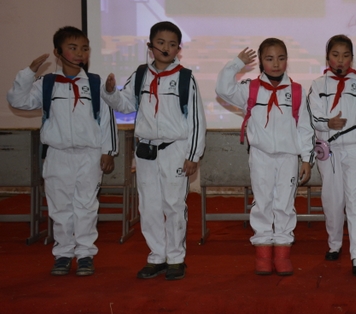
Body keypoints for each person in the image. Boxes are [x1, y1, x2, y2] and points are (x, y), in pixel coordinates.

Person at [7, 26, 118, 277]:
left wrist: (108, 151)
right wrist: (28, 73)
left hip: (89, 156)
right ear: (57, 52)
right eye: (73, 47)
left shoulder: (95, 83)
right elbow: (17, 100)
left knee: (86, 206)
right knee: (60, 207)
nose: (80, 53)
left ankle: (85, 254)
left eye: (84, 48)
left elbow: (106, 120)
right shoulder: (46, 84)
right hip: (57, 155)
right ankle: (63, 254)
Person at [101, 21, 206, 281]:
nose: (166, 48)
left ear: (179, 49)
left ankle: (176, 258)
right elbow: (125, 105)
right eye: (160, 43)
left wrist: (193, 155)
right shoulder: (140, 75)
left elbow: (196, 120)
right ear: (150, 46)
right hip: (146, 150)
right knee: (148, 206)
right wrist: (111, 92)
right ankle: (157, 256)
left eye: (172, 44)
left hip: (175, 150)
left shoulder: (185, 78)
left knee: (174, 204)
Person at [216, 38, 314, 276]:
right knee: (262, 203)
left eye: (281, 58)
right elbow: (222, 89)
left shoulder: (297, 91)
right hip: (260, 156)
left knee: (285, 204)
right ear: (260, 61)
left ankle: (282, 253)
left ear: (287, 60)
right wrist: (236, 63)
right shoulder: (250, 89)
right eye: (269, 59)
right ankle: (262, 253)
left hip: (288, 157)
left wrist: (306, 158)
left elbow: (304, 128)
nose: (276, 64)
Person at [307, 34, 356, 277]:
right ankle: (334, 244)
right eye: (336, 55)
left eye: (346, 55)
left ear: (352, 57)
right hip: (329, 150)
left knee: (355, 201)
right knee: (332, 200)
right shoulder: (318, 85)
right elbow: (311, 116)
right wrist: (327, 123)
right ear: (327, 57)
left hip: (354, 149)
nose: (340, 60)